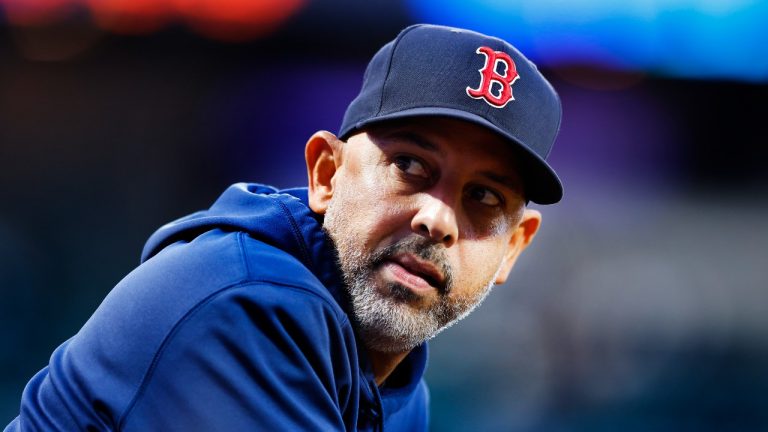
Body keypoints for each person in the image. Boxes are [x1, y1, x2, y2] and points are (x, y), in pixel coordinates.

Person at [5, 23, 563, 431]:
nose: (437, 217)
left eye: (484, 197)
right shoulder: (242, 303)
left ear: (513, 248)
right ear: (326, 175)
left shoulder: (396, 382)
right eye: (410, 166)